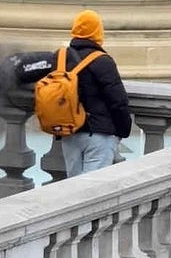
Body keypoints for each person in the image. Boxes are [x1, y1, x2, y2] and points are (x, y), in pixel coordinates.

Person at [55, 9, 131, 177]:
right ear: (98, 32)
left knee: (74, 189)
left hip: (70, 134)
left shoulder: (60, 58)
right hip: (99, 134)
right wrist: (123, 131)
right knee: (93, 192)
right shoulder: (103, 61)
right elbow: (118, 101)